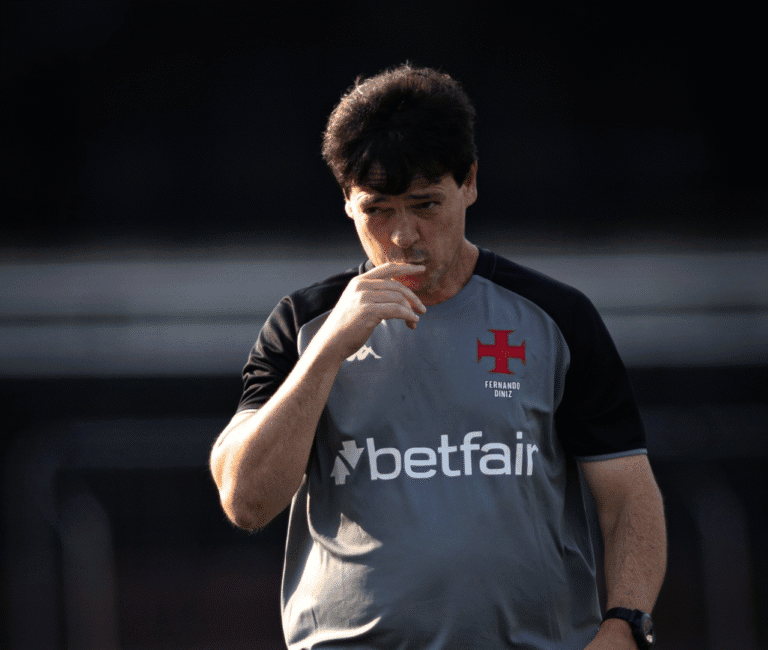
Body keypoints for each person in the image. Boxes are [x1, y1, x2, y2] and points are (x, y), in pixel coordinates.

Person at [210, 64, 666, 650]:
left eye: (425, 205)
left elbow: (629, 495)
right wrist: (325, 354)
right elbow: (246, 501)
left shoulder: (557, 318)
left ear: (470, 182)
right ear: (347, 200)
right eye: (378, 208)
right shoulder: (304, 325)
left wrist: (626, 623)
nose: (402, 236)